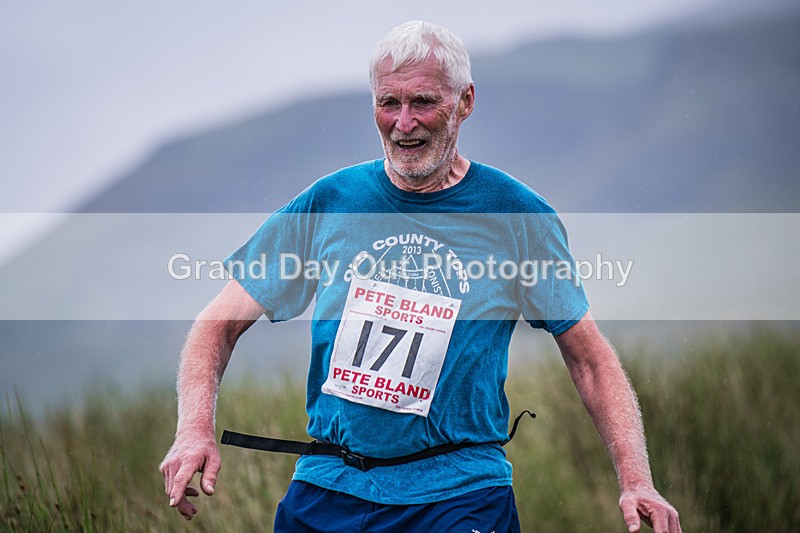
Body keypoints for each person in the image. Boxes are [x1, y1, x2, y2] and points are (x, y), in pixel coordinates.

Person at [159, 20, 681, 533]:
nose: (404, 122)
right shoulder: (331, 202)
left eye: (424, 102)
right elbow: (218, 324)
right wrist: (193, 431)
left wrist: (637, 481)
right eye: (390, 103)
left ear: (465, 102)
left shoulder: (517, 216)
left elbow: (589, 359)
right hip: (329, 487)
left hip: (459, 495)